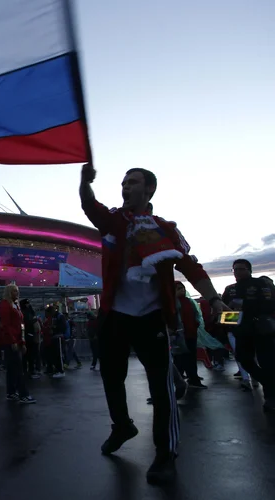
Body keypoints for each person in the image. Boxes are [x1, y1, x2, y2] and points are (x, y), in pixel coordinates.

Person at [80, 163, 227, 484]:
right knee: (110, 378)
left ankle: (165, 455)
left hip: (151, 318)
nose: (125, 186)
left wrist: (214, 299)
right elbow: (89, 206)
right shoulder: (115, 221)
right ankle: (122, 426)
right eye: (122, 182)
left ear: (149, 190)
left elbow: (191, 267)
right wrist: (84, 182)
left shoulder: (166, 229)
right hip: (115, 315)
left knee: (161, 389)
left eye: (132, 182)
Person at [222, 259, 275, 411]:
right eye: (235, 269)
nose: (237, 272)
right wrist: (225, 326)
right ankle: (269, 382)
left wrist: (244, 304)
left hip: (262, 329)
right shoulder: (230, 289)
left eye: (241, 269)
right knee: (243, 359)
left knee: (268, 363)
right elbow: (226, 309)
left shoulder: (261, 284)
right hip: (242, 330)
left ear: (249, 270)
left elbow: (270, 305)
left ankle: (270, 397)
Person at [0, 285, 36, 404]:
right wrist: (13, 340)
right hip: (10, 341)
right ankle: (23, 394)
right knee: (18, 368)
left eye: (18, 291)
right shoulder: (5, 304)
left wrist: (22, 341)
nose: (17, 293)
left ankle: (11, 392)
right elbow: (5, 325)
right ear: (9, 292)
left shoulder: (16, 305)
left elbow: (21, 325)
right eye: (14, 291)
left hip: (16, 340)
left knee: (12, 368)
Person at [172, 282, 206, 389]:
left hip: (191, 334)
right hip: (179, 336)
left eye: (182, 288)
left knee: (191, 358)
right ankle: (178, 381)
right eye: (178, 289)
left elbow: (196, 314)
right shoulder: (172, 303)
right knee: (179, 359)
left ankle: (193, 379)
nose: (181, 290)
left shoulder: (188, 301)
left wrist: (196, 324)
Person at [21, 299, 41, 378]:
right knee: (31, 355)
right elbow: (31, 323)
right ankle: (32, 371)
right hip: (30, 336)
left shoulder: (22, 312)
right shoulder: (29, 313)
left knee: (25, 355)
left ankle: (25, 370)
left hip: (25, 336)